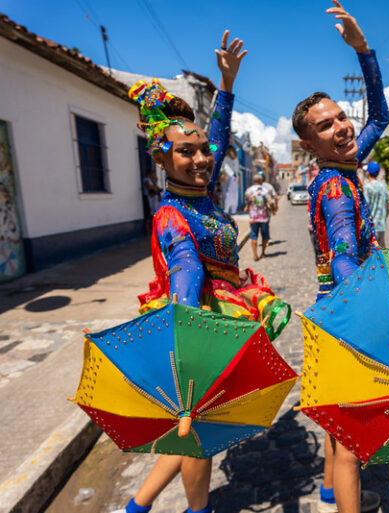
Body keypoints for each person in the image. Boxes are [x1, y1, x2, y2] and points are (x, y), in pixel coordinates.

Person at [114, 30, 255, 513]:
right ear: (161, 159)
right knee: (201, 435)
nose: (200, 159)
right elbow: (185, 269)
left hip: (217, 316)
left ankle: (138, 505)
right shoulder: (174, 215)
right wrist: (190, 338)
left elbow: (213, 138)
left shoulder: (202, 187)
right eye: (185, 153)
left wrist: (227, 85)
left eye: (201, 152)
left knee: (187, 431)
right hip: (198, 326)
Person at [291, 2, 389, 512]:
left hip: (334, 310)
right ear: (308, 144)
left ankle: (330, 489)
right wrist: (374, 312)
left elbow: (383, 117)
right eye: (325, 126)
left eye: (342, 116)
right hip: (346, 314)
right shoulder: (333, 187)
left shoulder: (346, 163)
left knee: (337, 422)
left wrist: (362, 51)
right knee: (354, 439)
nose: (343, 127)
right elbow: (347, 259)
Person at [244, 173, 276, 260]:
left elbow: (247, 202)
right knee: (265, 236)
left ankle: (255, 255)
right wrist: (273, 208)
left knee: (253, 236)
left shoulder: (248, 191)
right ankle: (263, 253)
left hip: (253, 217)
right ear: (260, 181)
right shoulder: (265, 191)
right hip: (264, 217)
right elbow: (271, 202)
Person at [362, 161, 389, 247]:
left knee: (371, 254)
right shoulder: (383, 186)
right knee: (381, 252)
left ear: (367, 173)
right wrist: (383, 218)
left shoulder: (367, 188)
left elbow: (365, 208)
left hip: (371, 227)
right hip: (381, 226)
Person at [221, 146, 240, 214]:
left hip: (235, 177)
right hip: (228, 176)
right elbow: (223, 166)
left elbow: (237, 168)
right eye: (230, 150)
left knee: (235, 194)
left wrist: (238, 176)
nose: (232, 152)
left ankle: (233, 210)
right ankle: (226, 209)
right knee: (227, 193)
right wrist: (222, 173)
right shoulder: (225, 158)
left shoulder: (235, 159)